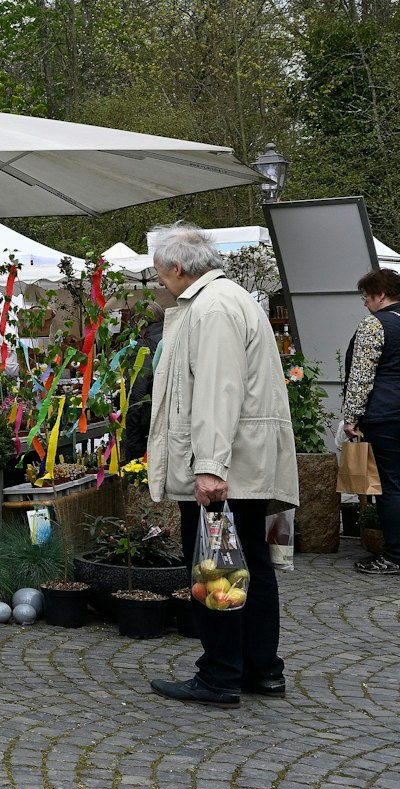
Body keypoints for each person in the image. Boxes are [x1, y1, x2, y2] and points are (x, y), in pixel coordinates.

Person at [144, 222, 297, 705]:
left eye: (158, 272)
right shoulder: (229, 299)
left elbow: (216, 390)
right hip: (243, 462)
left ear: (176, 267)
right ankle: (261, 669)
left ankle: (220, 674)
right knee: (250, 563)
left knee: (217, 568)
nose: (158, 280)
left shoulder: (211, 307)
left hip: (227, 467)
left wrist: (209, 465)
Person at [342, 268, 400, 574]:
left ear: (381, 295)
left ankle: (394, 556)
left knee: (391, 486)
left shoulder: (375, 324)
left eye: (366, 296)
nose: (365, 302)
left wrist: (351, 416)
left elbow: (361, 376)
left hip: (386, 415)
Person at [118, 302, 166, 464]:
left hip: (149, 428)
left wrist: (133, 444)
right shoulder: (173, 339)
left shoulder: (141, 347)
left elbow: (136, 394)